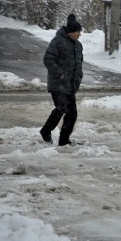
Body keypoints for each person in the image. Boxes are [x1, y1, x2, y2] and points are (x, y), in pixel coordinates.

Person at [40, 14, 84, 146]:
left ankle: (64, 140)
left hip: (70, 85)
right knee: (61, 108)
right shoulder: (57, 42)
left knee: (72, 114)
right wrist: (60, 74)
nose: (79, 34)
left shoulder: (78, 45)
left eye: (79, 32)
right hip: (58, 84)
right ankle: (46, 131)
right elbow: (48, 59)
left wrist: (78, 77)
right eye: (77, 32)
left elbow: (79, 63)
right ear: (70, 32)